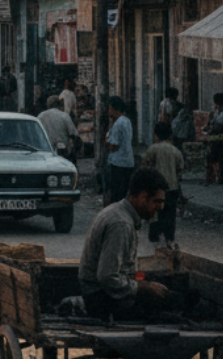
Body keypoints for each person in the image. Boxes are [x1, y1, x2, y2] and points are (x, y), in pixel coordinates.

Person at [79, 167, 171, 321]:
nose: (161, 207)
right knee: (170, 313)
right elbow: (108, 277)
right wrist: (143, 288)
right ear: (142, 197)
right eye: (157, 201)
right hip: (102, 300)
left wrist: (144, 281)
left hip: (106, 293)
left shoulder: (120, 213)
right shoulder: (121, 224)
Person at [142, 122, 184, 249]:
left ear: (156, 135)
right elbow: (180, 170)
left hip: (156, 187)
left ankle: (155, 239)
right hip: (172, 187)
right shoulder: (176, 151)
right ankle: (169, 238)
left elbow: (146, 167)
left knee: (155, 213)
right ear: (170, 135)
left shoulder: (152, 149)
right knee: (170, 214)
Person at [105, 96, 135, 205]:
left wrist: (107, 142)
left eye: (109, 108)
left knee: (116, 194)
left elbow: (114, 145)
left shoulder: (118, 123)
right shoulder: (127, 121)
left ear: (114, 109)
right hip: (127, 161)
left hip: (118, 162)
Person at [37, 95, 79, 162]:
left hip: (45, 151)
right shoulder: (64, 116)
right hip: (63, 152)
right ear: (60, 104)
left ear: (48, 105)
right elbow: (74, 135)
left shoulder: (40, 116)